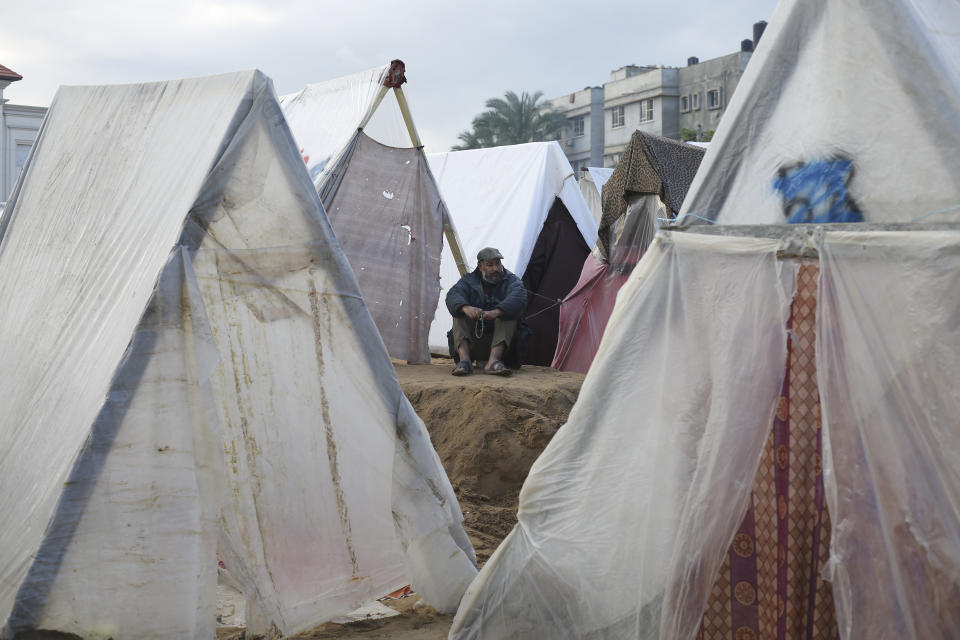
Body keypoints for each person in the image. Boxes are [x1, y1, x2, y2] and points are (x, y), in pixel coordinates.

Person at [445, 247, 526, 376]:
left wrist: (496, 312)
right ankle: (465, 362)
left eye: (498, 264)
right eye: (490, 265)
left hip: (503, 345)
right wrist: (466, 308)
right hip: (474, 343)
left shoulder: (512, 280)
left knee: (509, 315)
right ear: (480, 266)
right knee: (459, 313)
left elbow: (518, 298)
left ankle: (493, 362)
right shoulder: (468, 280)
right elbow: (453, 295)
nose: (496, 269)